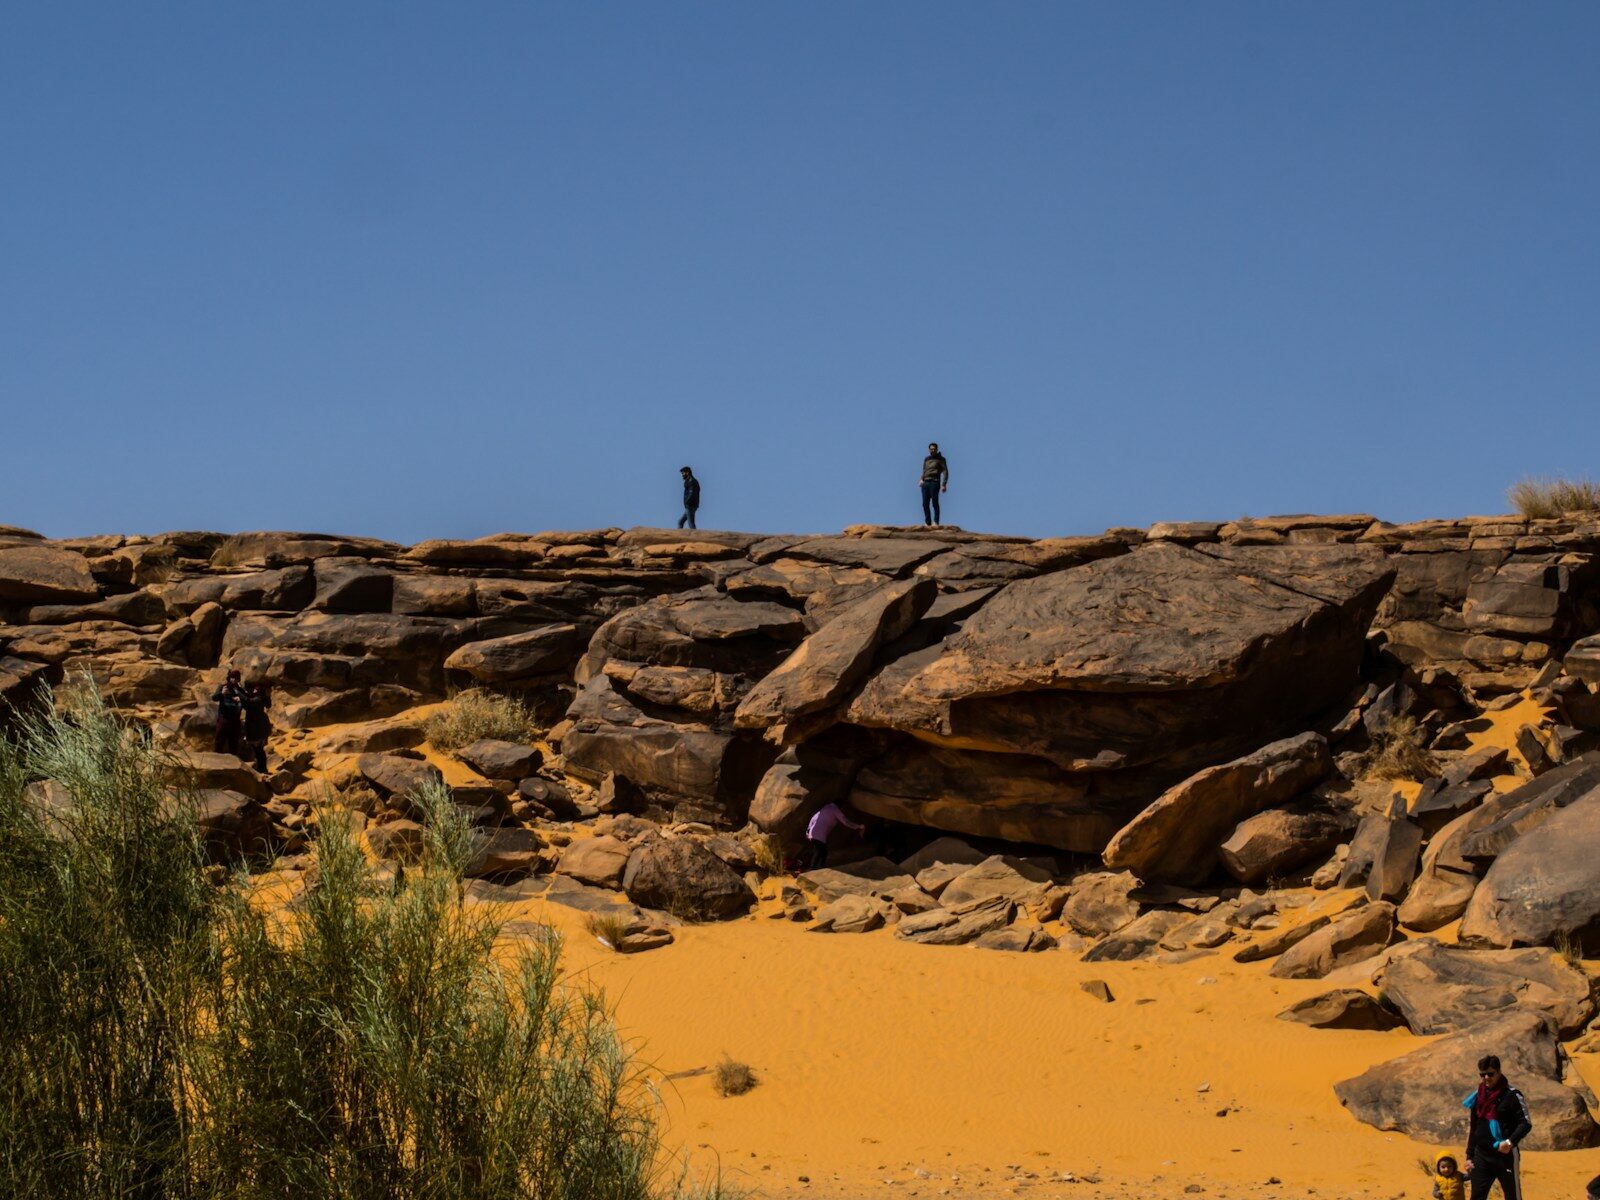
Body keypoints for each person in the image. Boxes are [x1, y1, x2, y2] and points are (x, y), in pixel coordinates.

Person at [1462, 1054, 1530, 1199]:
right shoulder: (1478, 1097)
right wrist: (1469, 1156)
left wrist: (1510, 1142)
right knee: (1477, 1196)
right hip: (1481, 1156)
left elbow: (1525, 1123)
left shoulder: (1512, 1095)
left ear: (1499, 1072)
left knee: (1513, 1196)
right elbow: (1474, 1128)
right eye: (1482, 1074)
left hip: (1505, 1156)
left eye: (1490, 1074)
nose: (1486, 1078)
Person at [804, 802, 864, 871]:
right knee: (820, 851)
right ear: (840, 807)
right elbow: (845, 821)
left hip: (812, 833)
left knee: (821, 851)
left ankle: (818, 867)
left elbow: (813, 819)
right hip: (818, 835)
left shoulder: (824, 808)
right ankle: (815, 868)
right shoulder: (835, 809)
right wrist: (858, 826)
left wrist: (808, 831)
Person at [212, 669, 245, 757]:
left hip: (235, 720)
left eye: (236, 678)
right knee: (219, 739)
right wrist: (221, 694)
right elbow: (214, 698)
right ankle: (216, 758)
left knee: (234, 742)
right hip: (224, 718)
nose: (234, 680)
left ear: (239, 679)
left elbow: (247, 702)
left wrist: (241, 698)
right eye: (232, 677)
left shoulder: (240, 690)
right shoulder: (223, 687)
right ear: (229, 678)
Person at [241, 681, 272, 773]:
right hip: (260, 728)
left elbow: (248, 701)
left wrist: (238, 692)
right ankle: (262, 768)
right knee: (259, 751)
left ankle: (262, 769)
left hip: (257, 729)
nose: (253, 691)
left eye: (255, 690)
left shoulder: (258, 700)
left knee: (258, 751)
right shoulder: (261, 699)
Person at [919, 442, 948, 525]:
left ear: (937, 449)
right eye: (931, 449)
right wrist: (921, 479)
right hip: (925, 483)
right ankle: (928, 522)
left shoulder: (941, 459)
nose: (933, 450)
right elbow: (924, 470)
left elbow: (945, 472)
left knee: (935, 502)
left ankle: (935, 521)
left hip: (934, 482)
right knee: (925, 503)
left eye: (934, 449)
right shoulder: (926, 459)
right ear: (929, 450)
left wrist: (944, 484)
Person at [678, 466, 701, 531]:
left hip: (690, 505)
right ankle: (680, 535)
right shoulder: (691, 481)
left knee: (691, 524)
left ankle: (696, 537)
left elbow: (692, 493)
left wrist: (687, 502)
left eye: (683, 473)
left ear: (687, 473)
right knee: (681, 522)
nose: (682, 475)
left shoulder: (691, 481)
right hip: (691, 505)